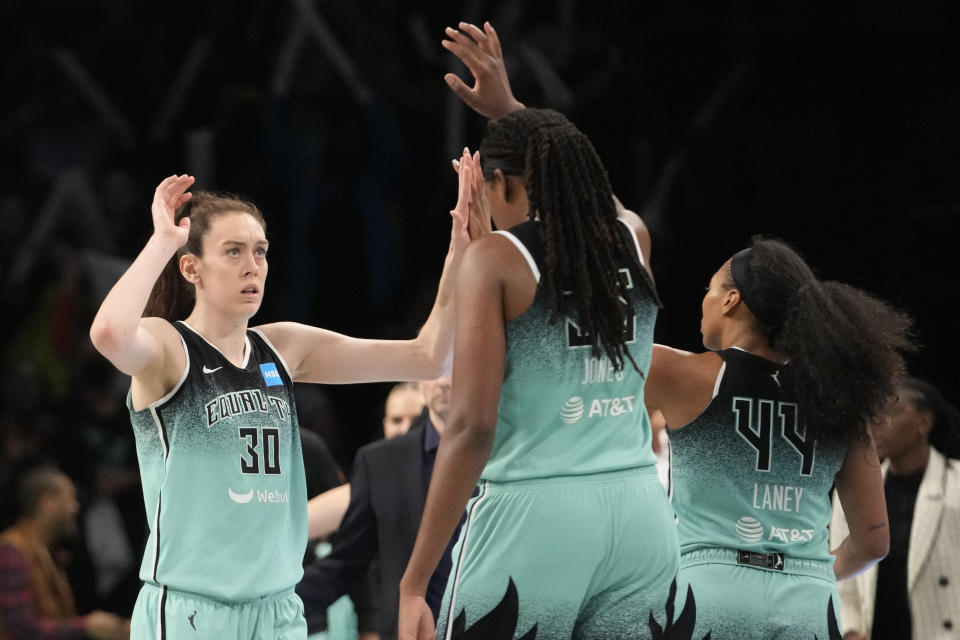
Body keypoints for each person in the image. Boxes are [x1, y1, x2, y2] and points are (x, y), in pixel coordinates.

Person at [87, 159, 476, 640]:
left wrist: (460, 255)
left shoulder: (285, 347)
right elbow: (108, 333)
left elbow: (427, 356)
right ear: (192, 268)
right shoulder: (169, 347)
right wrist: (163, 241)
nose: (252, 266)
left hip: (278, 610)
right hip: (192, 609)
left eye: (260, 251)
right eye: (233, 252)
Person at [399, 24, 679, 639]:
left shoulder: (498, 258)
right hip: (639, 511)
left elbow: (471, 428)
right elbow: (588, 190)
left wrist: (416, 579)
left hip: (537, 514)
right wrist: (513, 112)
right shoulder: (632, 235)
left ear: (499, 185)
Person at [643, 237, 914, 638]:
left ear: (730, 299)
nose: (703, 300)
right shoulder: (841, 400)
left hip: (712, 589)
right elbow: (873, 543)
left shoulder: (679, 372)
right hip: (808, 599)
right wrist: (807, 568)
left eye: (709, 289)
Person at [298, 376, 459, 640]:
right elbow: (348, 561)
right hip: (404, 630)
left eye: (452, 366)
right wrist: (272, 599)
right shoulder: (380, 462)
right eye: (435, 368)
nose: (443, 380)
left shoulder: (507, 453)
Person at [830, 376, 960, 640]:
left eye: (890, 412)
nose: (876, 423)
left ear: (923, 423)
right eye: (872, 413)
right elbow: (842, 567)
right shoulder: (855, 489)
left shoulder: (956, 483)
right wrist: (851, 627)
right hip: (876, 629)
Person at [0, 466, 129, 639]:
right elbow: (20, 630)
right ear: (48, 502)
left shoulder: (45, 551)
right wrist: (87, 626)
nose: (75, 507)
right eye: (70, 499)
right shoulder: (13, 551)